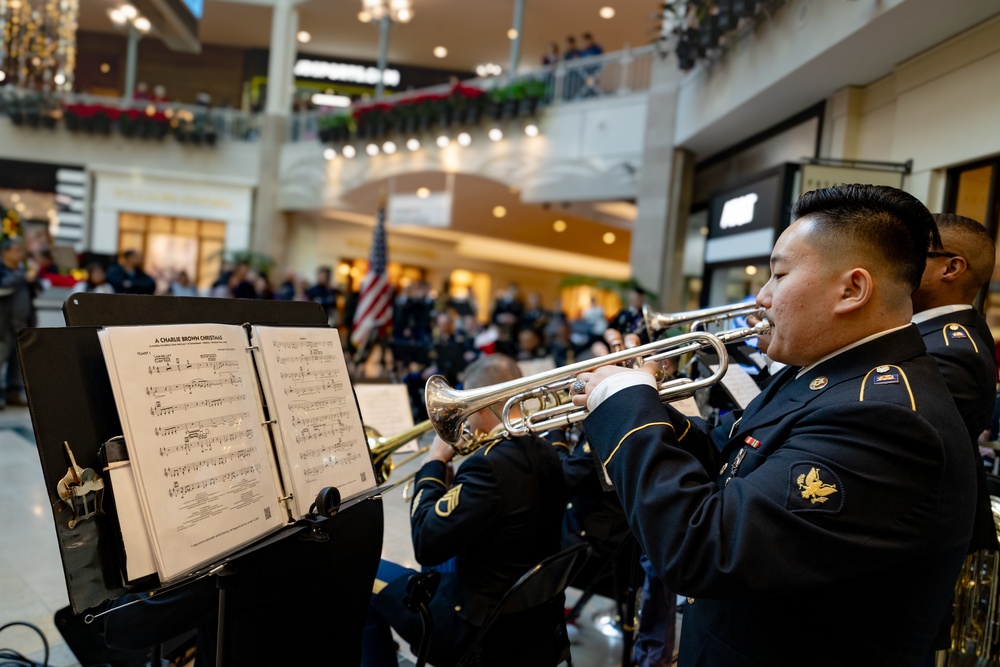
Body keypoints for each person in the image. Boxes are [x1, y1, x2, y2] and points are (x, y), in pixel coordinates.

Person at [571, 184, 977, 665]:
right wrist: (653, 405)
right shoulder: (823, 372)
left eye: (778, 275)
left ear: (852, 289)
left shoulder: (886, 418)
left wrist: (623, 406)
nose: (761, 298)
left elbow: (705, 549)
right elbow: (732, 464)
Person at [363, 354, 568, 666]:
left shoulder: (488, 465)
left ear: (481, 404)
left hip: (480, 630)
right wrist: (449, 489)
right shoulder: (547, 451)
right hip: (536, 619)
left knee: (365, 577)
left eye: (465, 407)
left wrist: (433, 464)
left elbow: (425, 544)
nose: (465, 419)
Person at [911, 213, 1000, 654]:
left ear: (951, 268)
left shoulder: (950, 347)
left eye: (911, 254)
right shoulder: (929, 336)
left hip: (913, 552)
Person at [0, 237, 39, 408]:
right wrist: (21, 275)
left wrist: (33, 279)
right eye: (16, 250)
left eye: (21, 250)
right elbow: (3, 288)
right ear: (5, 251)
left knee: (18, 360)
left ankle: (13, 393)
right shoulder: (6, 271)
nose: (20, 254)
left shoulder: (23, 271)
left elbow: (37, 291)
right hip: (3, 323)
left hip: (22, 322)